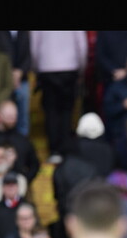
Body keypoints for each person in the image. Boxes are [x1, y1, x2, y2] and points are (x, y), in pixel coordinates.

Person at [30, 30, 88, 164]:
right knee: (66, 111)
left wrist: (36, 68)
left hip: (46, 68)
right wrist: (81, 69)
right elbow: (82, 46)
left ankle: (54, 150)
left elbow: (34, 47)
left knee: (51, 111)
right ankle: (65, 149)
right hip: (70, 67)